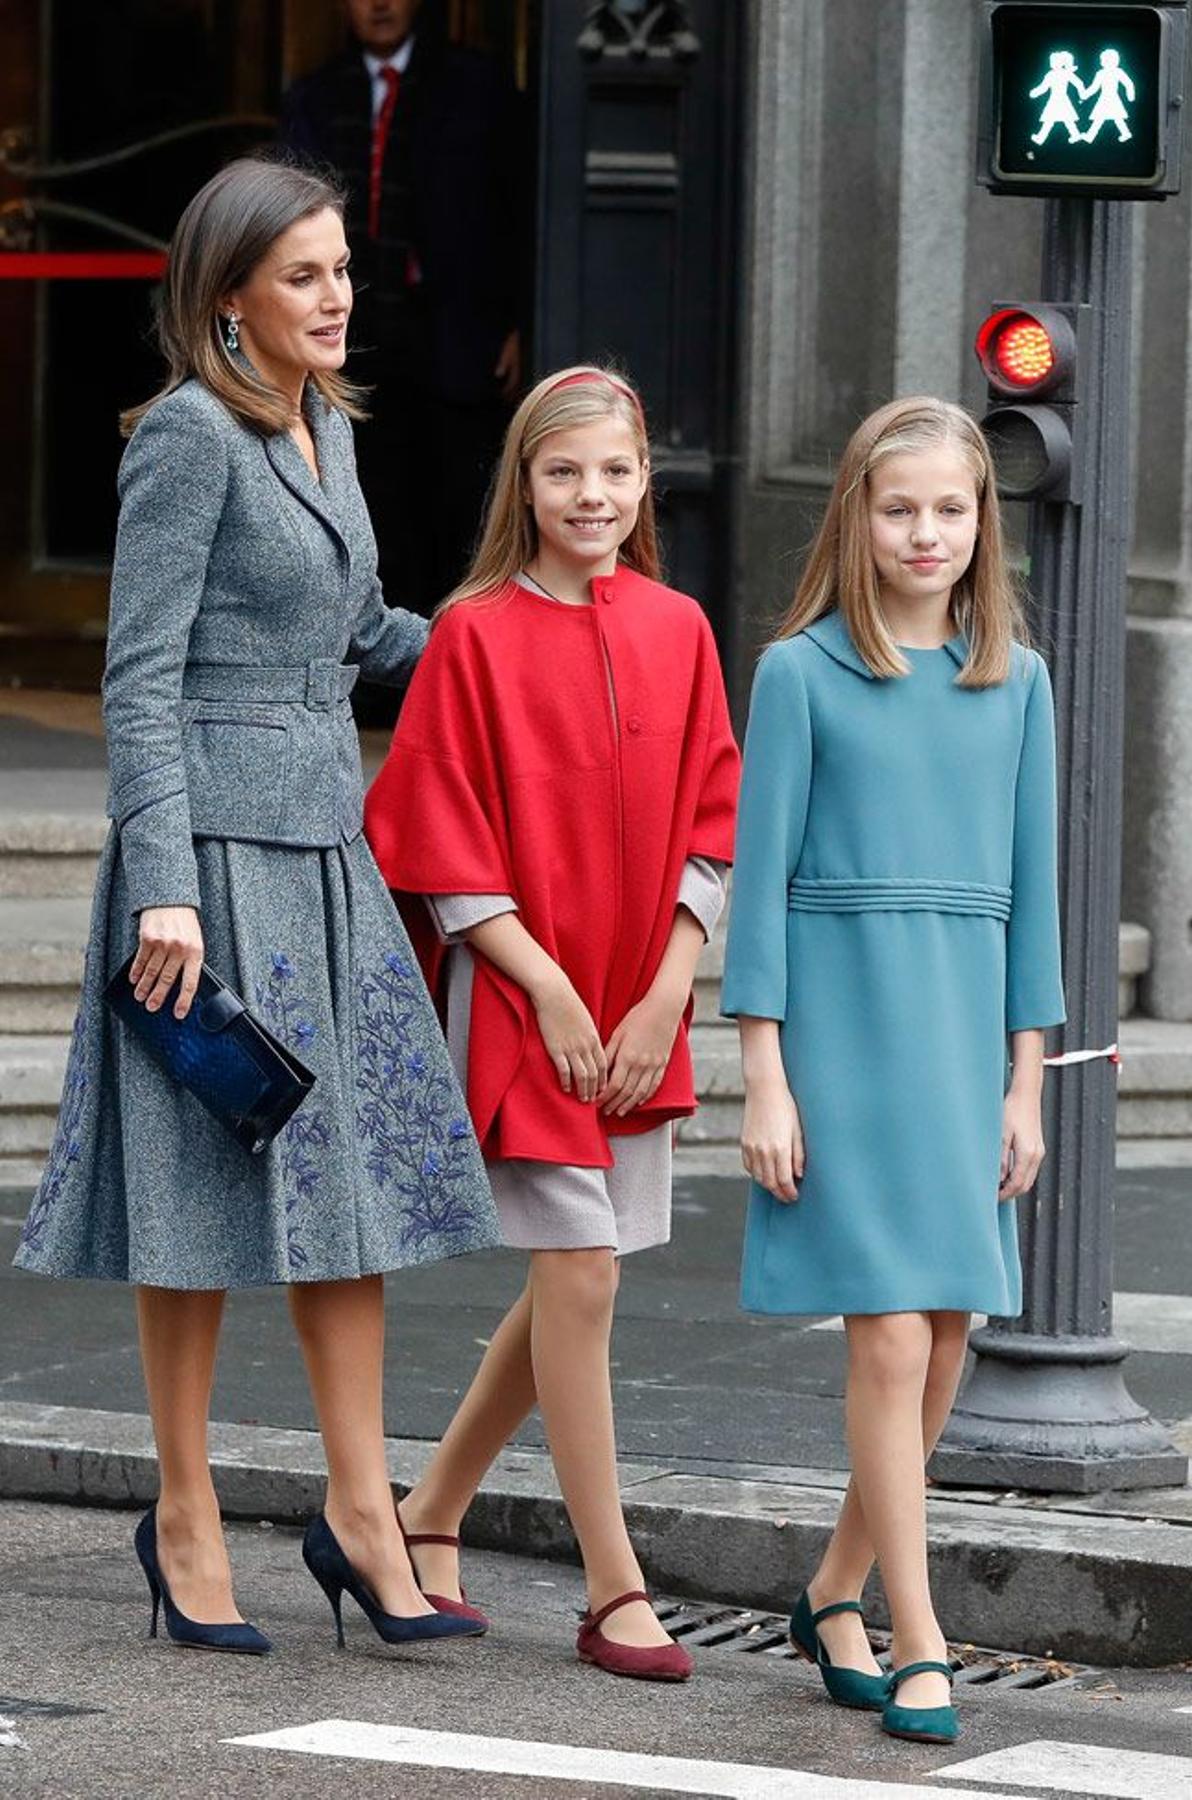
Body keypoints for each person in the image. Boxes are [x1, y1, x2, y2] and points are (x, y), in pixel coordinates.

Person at [14, 155, 500, 1656]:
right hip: (209, 873)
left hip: (324, 853)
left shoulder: (319, 426)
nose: (336, 295)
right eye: (302, 274)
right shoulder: (185, 438)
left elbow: (356, 635)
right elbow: (136, 676)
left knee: (342, 1201)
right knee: (202, 1205)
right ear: (227, 294)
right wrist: (163, 889)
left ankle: (364, 1517)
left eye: (343, 268)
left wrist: (502, 635)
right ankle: (183, 1516)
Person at [363, 366, 740, 1680]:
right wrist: (553, 987)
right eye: (564, 471)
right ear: (523, 482)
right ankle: (611, 1585)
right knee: (582, 1271)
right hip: (527, 994)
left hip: (641, 1001)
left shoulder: (682, 629)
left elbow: (712, 819)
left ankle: (427, 1515)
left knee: (576, 1275)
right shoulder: (469, 633)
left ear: (646, 487)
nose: (592, 495)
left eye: (617, 473)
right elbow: (435, 834)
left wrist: (664, 990)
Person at [721, 397, 1064, 1745]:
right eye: (900, 507)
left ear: (983, 524)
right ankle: (919, 1636)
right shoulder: (800, 673)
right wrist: (763, 1074)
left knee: (950, 1338)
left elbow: (1036, 901)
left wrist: (1025, 1086)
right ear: (856, 518)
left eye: (952, 508)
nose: (927, 531)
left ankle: (833, 1590)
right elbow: (760, 891)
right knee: (889, 1334)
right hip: (843, 1037)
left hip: (961, 1041)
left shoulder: (1016, 684)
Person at [280, 0, 530, 623]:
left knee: (457, 507)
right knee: (369, 503)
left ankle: (450, 664)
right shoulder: (313, 96)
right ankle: (372, 682)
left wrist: (521, 319)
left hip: (455, 334)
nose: (381, 4)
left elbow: (521, 208)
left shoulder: (478, 87)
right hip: (351, 338)